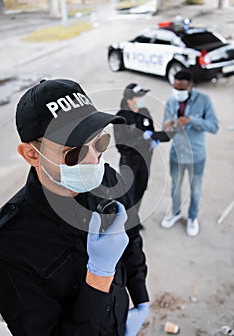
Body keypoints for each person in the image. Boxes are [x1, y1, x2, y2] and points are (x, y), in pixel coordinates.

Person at [0, 78, 150, 336]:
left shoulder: (108, 180)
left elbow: (132, 238)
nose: (94, 161)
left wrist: (140, 295)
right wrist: (98, 276)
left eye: (99, 143)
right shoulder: (10, 245)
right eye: (74, 153)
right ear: (32, 155)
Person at [161, 70, 219, 237]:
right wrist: (168, 125)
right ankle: (176, 212)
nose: (177, 92)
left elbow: (214, 126)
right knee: (175, 187)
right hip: (176, 154)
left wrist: (192, 120)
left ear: (191, 86)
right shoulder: (170, 101)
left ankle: (192, 217)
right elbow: (166, 123)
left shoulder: (204, 101)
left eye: (181, 88)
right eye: (175, 87)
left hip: (196, 155)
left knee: (195, 189)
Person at [114, 83, 159, 216]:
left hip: (145, 160)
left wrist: (153, 139)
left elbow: (151, 130)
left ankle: (134, 220)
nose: (143, 99)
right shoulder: (121, 118)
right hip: (129, 163)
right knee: (128, 195)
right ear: (130, 100)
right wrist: (142, 138)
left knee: (141, 190)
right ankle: (126, 224)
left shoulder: (144, 112)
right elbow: (121, 146)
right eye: (139, 97)